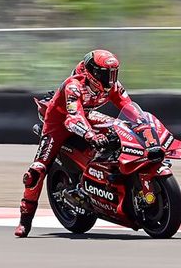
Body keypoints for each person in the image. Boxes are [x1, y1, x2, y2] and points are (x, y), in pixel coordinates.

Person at [14, 49, 140, 238]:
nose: (110, 79)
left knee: (120, 127)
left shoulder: (112, 86)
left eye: (113, 73)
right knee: (36, 171)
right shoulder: (74, 86)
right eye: (106, 74)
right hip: (58, 124)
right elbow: (73, 118)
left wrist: (141, 125)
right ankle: (25, 221)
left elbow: (128, 106)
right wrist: (90, 135)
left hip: (87, 115)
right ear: (93, 72)